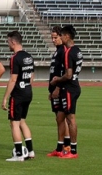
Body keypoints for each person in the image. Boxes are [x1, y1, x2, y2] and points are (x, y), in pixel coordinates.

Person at [2, 30, 35, 162]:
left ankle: (19, 154)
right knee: (22, 121)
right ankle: (30, 151)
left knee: (14, 123)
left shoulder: (15, 58)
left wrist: (5, 97)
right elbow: (32, 76)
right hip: (28, 91)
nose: (8, 45)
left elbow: (13, 79)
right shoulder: (29, 56)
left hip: (18, 94)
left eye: (8, 42)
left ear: (13, 42)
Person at [50, 24, 82, 159]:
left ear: (67, 36)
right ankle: (60, 148)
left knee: (71, 119)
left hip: (69, 88)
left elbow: (68, 75)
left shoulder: (69, 51)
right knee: (60, 117)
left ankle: (73, 151)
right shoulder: (77, 50)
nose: (60, 38)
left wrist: (57, 80)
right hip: (69, 87)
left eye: (61, 35)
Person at [47, 26, 71, 157]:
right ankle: (60, 147)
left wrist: (57, 88)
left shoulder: (63, 51)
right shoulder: (57, 51)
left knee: (62, 118)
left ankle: (65, 147)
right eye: (52, 37)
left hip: (61, 90)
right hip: (55, 90)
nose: (53, 40)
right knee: (58, 119)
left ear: (62, 36)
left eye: (55, 37)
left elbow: (63, 73)